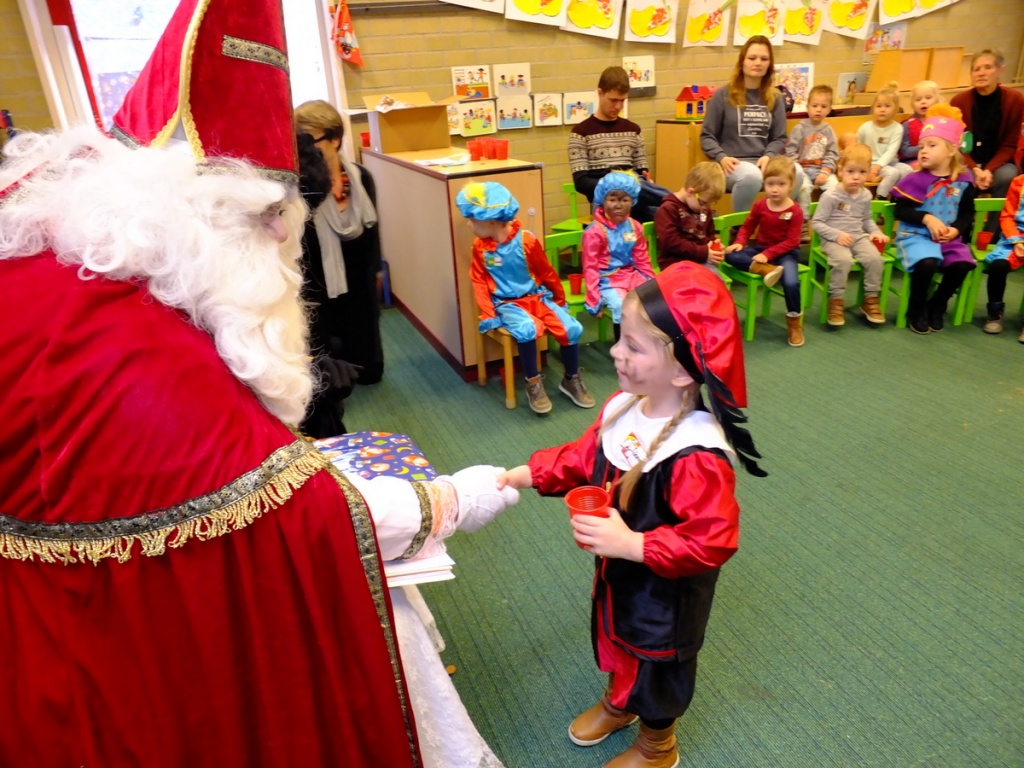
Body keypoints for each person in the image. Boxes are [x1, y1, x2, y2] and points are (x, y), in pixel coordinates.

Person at [0, 3, 522, 765]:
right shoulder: (136, 354)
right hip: (134, 640)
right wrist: (448, 500)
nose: (284, 243)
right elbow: (297, 519)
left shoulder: (71, 267)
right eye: (275, 222)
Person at [497, 262, 765, 768]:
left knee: (656, 663)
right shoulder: (624, 407)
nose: (616, 352)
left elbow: (712, 542)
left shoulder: (697, 455)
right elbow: (583, 457)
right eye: (621, 337)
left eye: (633, 346)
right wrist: (528, 473)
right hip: (619, 576)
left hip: (666, 597)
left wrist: (634, 544)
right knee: (618, 639)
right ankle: (620, 702)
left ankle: (657, 746)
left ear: (682, 370)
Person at [458, 181, 595, 414]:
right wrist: (489, 314)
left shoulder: (526, 240)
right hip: (507, 304)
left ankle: (571, 379)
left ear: (491, 221)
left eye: (472, 219)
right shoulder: (480, 247)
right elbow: (478, 281)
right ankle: (533, 382)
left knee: (571, 327)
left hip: (537, 297)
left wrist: (559, 299)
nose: (469, 224)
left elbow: (546, 272)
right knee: (526, 328)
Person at [294, 99, 385, 385]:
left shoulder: (361, 177)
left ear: (334, 139)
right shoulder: (300, 185)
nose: (305, 149)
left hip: (358, 277)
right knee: (327, 378)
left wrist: (376, 271)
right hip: (318, 280)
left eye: (311, 140)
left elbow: (373, 231)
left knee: (369, 372)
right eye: (299, 141)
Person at [890, 104, 978, 335]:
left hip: (947, 238)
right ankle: (916, 309)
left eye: (932, 145)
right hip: (916, 236)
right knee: (927, 263)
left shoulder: (964, 179)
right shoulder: (915, 179)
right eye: (921, 146)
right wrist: (927, 218)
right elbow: (900, 211)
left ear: (951, 149)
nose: (923, 151)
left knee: (962, 264)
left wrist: (957, 230)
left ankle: (937, 304)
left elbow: (967, 213)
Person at [700, 35, 805, 214]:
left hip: (765, 162)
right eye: (752, 58)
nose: (758, 63)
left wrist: (769, 155)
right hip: (732, 165)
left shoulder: (775, 97)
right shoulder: (722, 95)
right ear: (742, 61)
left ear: (769, 64)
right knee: (751, 176)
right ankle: (740, 225)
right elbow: (707, 136)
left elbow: (779, 137)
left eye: (764, 59)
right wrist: (721, 157)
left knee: (798, 172)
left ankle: (779, 220)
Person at [723, 155, 807, 347]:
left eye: (781, 184)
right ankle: (767, 270)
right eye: (770, 184)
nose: (775, 189)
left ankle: (794, 323)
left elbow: (792, 241)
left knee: (791, 282)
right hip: (761, 249)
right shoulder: (760, 205)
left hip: (786, 253)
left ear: (791, 185)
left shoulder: (795, 211)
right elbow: (747, 227)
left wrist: (767, 255)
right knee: (730, 255)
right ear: (764, 184)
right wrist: (740, 242)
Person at [569, 65, 669, 222]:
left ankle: (680, 206)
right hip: (604, 203)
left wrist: (644, 180)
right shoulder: (580, 133)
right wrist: (615, 183)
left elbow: (642, 172)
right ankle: (679, 201)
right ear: (600, 93)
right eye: (613, 100)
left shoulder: (633, 130)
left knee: (667, 215)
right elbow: (581, 183)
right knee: (635, 187)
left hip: (634, 200)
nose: (618, 106)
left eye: (622, 101)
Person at [810, 143, 889, 326]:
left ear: (868, 172)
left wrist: (876, 232)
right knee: (843, 261)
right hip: (833, 239)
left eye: (862, 172)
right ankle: (835, 301)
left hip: (857, 236)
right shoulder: (830, 196)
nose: (856, 177)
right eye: (850, 171)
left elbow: (867, 219)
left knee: (875, 259)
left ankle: (870, 299)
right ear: (840, 170)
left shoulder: (866, 195)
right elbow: (817, 223)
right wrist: (837, 235)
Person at [950, 49, 1024, 217]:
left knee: (1007, 175)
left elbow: (1009, 145)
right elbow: (956, 145)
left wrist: (989, 170)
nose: (981, 73)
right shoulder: (958, 102)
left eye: (988, 67)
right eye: (976, 69)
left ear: (1000, 70)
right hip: (967, 162)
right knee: (962, 174)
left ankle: (994, 228)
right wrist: (975, 169)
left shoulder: (1015, 100)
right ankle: (961, 225)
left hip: (998, 164)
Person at [582, 171, 656, 338]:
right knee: (621, 305)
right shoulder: (594, 232)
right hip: (607, 280)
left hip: (632, 275)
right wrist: (594, 300)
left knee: (651, 300)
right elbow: (590, 268)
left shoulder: (634, 226)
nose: (618, 205)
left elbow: (642, 259)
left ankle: (645, 344)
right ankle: (623, 347)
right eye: (613, 199)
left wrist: (652, 283)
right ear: (602, 200)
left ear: (632, 201)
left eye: (625, 200)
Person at [785, 83, 840, 235]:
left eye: (823, 106)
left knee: (835, 188)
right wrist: (797, 169)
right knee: (803, 189)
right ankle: (802, 223)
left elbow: (832, 153)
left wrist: (825, 171)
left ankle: (832, 221)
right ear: (807, 107)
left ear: (829, 109)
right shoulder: (800, 128)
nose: (818, 109)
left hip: (822, 170)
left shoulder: (828, 130)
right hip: (802, 170)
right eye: (815, 105)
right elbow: (790, 151)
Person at [653, 161, 726, 272]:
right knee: (708, 278)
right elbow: (671, 242)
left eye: (710, 204)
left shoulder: (703, 208)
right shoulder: (668, 209)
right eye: (703, 203)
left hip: (700, 261)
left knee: (713, 279)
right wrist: (703, 252)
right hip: (675, 264)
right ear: (691, 192)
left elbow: (709, 234)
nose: (705, 208)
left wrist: (714, 243)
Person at [980, 173, 1024, 341]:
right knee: (999, 265)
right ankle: (994, 312)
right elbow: (1007, 216)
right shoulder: (1019, 182)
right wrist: (1016, 241)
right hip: (1014, 238)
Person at [857, 82, 908, 199]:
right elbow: (858, 147)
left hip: (891, 162)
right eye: (879, 106)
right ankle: (880, 198)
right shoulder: (865, 128)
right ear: (873, 108)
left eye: (887, 106)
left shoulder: (897, 128)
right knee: (892, 173)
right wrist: (870, 167)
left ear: (895, 109)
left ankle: (897, 198)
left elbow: (891, 151)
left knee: (907, 170)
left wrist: (879, 166)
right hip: (871, 164)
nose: (882, 110)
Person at [899, 80, 941, 171]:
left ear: (937, 100)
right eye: (918, 99)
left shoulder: (943, 122)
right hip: (913, 161)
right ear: (912, 104)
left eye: (928, 98)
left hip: (939, 160)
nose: (923, 102)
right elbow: (905, 151)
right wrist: (925, 148)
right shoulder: (907, 125)